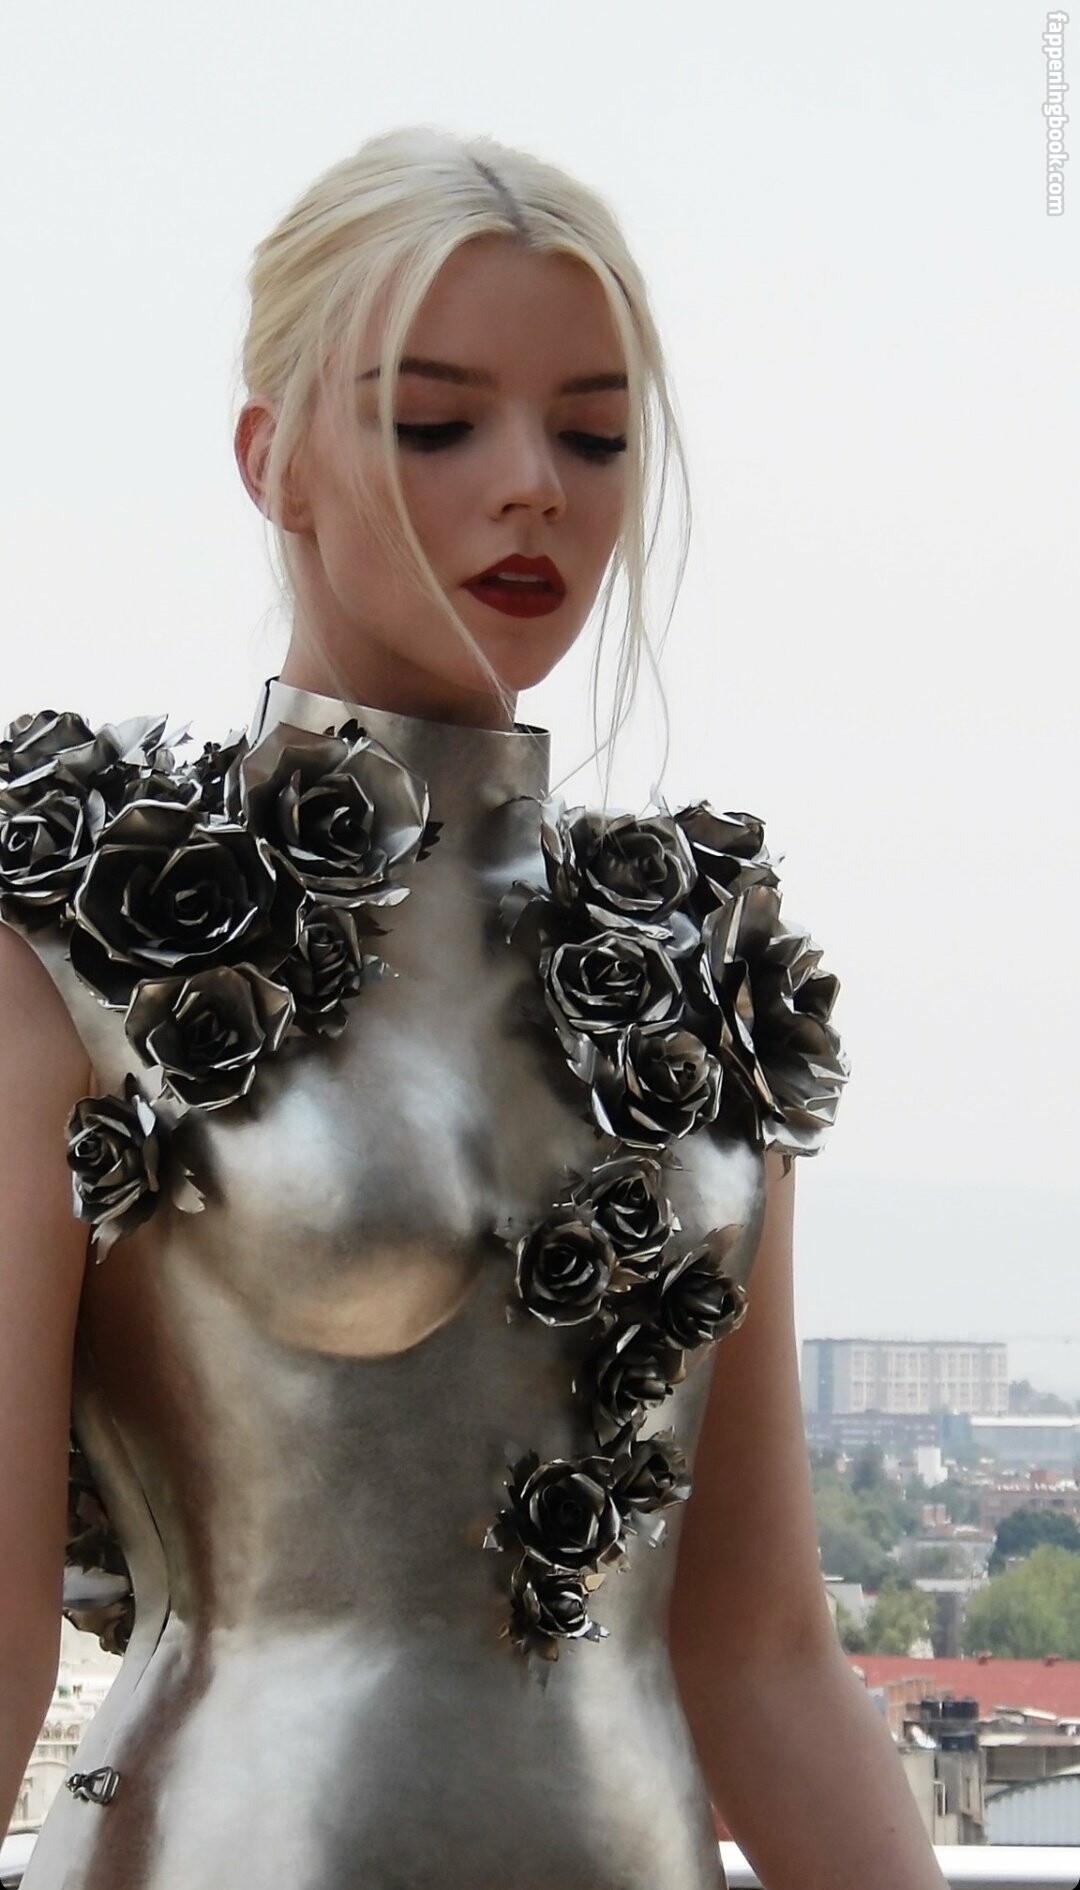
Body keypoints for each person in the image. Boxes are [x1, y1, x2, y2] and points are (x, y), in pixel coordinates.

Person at [0, 126, 948, 1890]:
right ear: (271, 461)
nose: (532, 489)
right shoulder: (73, 936)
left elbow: (756, 1651)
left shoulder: (698, 964)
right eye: (437, 423)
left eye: (593, 435)